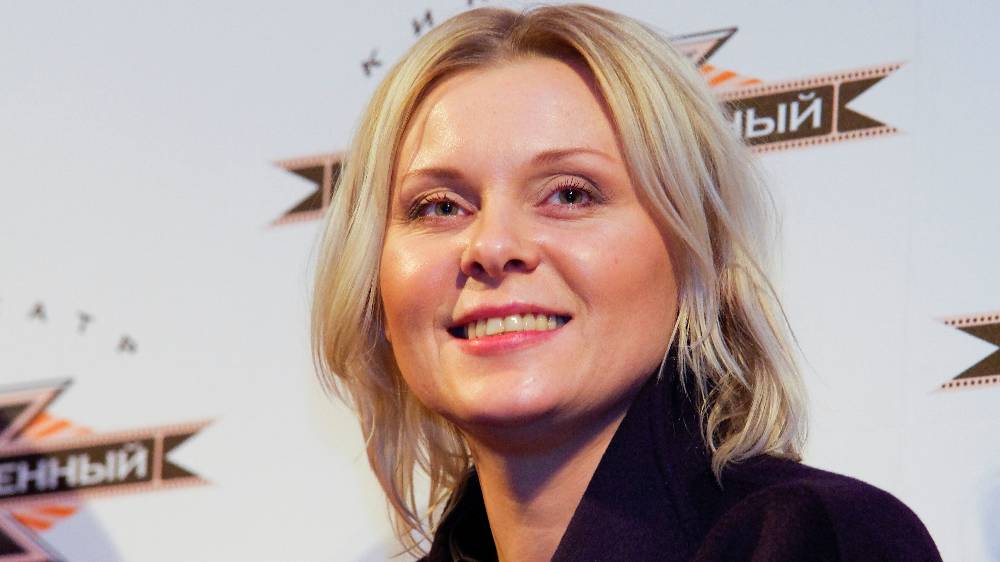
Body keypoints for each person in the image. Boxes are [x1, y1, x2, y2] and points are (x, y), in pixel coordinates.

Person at [312, 4, 942, 561]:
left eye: (569, 194)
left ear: (696, 254)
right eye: (440, 206)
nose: (492, 247)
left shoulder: (810, 540)